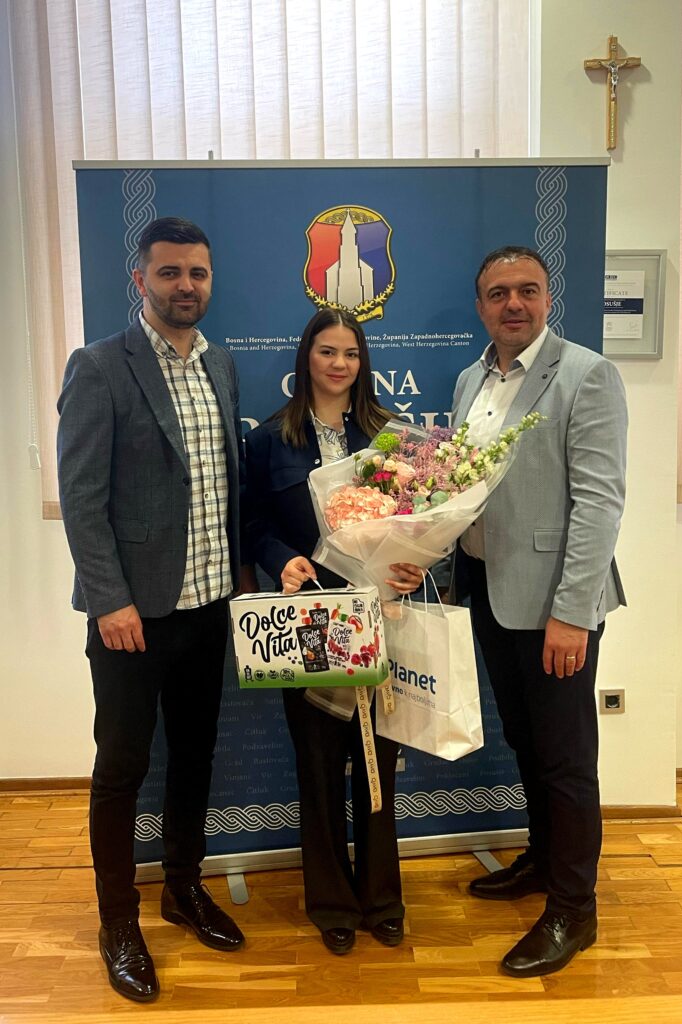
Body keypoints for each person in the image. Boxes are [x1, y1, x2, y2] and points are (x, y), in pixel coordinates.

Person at [57, 217, 253, 1002]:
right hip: (131, 620)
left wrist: (241, 576)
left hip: (208, 607)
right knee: (122, 768)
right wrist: (110, 601)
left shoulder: (221, 364)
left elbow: (223, 484)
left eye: (196, 273)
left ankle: (182, 886)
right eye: (169, 272)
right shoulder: (100, 367)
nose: (185, 286)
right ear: (140, 279)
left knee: (195, 756)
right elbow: (81, 499)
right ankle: (117, 920)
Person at [452, 246, 627, 977]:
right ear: (481, 306)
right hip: (490, 593)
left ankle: (573, 909)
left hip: (556, 605)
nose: (513, 304)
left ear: (548, 299)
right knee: (527, 743)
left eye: (527, 290)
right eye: (498, 293)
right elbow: (462, 489)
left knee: (566, 760)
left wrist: (572, 614)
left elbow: (599, 504)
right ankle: (543, 857)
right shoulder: (470, 379)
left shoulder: (587, 374)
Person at [244, 308, 423, 956]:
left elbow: (418, 520)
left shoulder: (388, 437)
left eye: (350, 353)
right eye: (327, 351)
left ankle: (382, 899)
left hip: (380, 615)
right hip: (311, 620)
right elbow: (253, 525)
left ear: (362, 361)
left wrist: (414, 563)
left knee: (378, 764)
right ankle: (330, 902)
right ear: (307, 358)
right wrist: (279, 560)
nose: (339, 363)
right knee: (318, 765)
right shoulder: (271, 439)